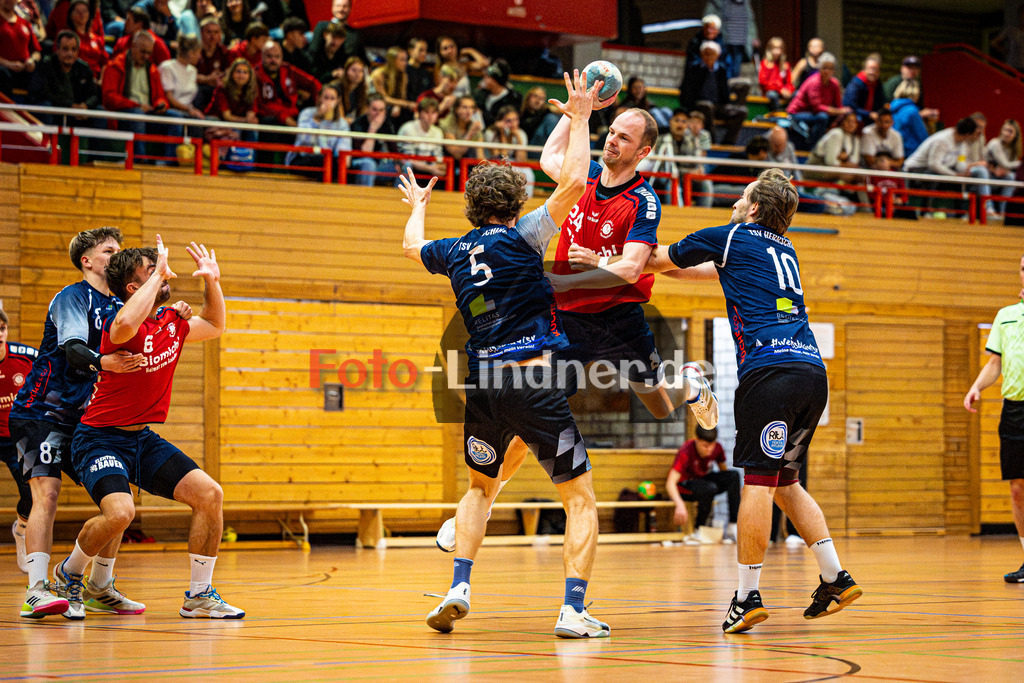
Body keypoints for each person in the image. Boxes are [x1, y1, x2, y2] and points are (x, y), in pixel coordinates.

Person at [407, 71, 613, 639]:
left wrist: (419, 204)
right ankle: (573, 609)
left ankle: (458, 586)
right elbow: (573, 180)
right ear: (515, 202)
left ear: (472, 205)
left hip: (483, 390)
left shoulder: (451, 251)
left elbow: (408, 245)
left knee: (479, 488)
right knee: (581, 499)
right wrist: (579, 117)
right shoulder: (525, 235)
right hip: (533, 382)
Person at [642, 168, 862, 633]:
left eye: (742, 196)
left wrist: (608, 261)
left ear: (755, 208)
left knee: (758, 483)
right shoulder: (785, 248)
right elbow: (701, 273)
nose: (736, 202)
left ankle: (746, 596)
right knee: (785, 482)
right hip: (811, 373)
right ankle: (834, 577)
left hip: (770, 373)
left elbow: (659, 257)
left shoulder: (733, 235)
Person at [58, 237, 241, 619]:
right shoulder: (121, 326)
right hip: (98, 437)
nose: (165, 271)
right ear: (133, 287)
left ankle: (199, 595)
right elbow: (126, 320)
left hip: (140, 439)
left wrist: (213, 281)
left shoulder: (172, 322)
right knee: (120, 513)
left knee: (210, 494)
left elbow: (215, 324)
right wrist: (155, 278)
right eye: (153, 268)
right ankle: (69, 574)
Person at [9, 227, 148, 620]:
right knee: (46, 495)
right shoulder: (72, 297)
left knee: (117, 499)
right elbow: (72, 351)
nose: (116, 257)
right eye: (109, 251)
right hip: (40, 414)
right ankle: (37, 588)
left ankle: (100, 586)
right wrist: (105, 363)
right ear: (87, 260)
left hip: (88, 421)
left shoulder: (120, 303)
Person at [965, 254, 1024, 583]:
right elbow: (995, 364)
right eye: (1022, 268)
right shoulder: (1006, 316)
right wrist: (976, 387)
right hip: (1014, 408)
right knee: (1018, 488)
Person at [101, 31, 180, 162]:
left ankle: (169, 162)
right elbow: (109, 98)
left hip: (148, 113)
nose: (146, 56)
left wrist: (161, 105)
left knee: (176, 118)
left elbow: (160, 96)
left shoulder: (152, 69)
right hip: (124, 115)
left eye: (149, 53)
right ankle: (139, 160)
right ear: (133, 46)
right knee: (138, 116)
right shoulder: (115, 65)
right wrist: (136, 106)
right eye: (143, 52)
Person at [0, 308, 36, 575]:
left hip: (17, 436)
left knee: (32, 494)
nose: (0, 335)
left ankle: (21, 530)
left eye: (2, 329)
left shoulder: (26, 356)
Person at [666, 425, 739, 544]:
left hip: (704, 481)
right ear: (697, 440)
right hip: (685, 486)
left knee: (733, 476)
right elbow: (670, 483)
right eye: (705, 446)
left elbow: (724, 473)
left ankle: (732, 525)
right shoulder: (686, 449)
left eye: (712, 445)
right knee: (710, 488)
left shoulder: (717, 448)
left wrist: (737, 492)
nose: (709, 450)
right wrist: (679, 504)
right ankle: (698, 529)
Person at [679, 40, 747, 145]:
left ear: (717, 55)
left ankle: (728, 142)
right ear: (701, 54)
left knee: (741, 111)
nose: (709, 56)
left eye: (712, 53)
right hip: (699, 105)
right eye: (706, 53)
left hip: (718, 106)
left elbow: (725, 94)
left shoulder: (721, 70)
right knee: (707, 106)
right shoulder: (694, 68)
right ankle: (712, 141)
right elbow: (686, 90)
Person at [27, 30, 100, 120]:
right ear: (57, 50)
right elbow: (45, 93)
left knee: (101, 114)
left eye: (73, 49)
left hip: (76, 110)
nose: (70, 54)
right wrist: (70, 105)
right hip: (56, 108)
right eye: (65, 49)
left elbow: (93, 95)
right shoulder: (46, 65)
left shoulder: (83, 68)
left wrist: (85, 106)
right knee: (46, 106)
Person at [286, 81, 351, 176]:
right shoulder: (307, 114)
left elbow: (343, 147)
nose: (328, 102)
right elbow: (304, 140)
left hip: (328, 160)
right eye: (326, 98)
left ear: (337, 102)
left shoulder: (342, 124)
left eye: (332, 99)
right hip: (304, 158)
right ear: (319, 98)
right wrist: (316, 121)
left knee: (334, 164)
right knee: (322, 162)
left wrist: (344, 160)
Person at [786, 52, 847, 150]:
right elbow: (817, 107)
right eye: (825, 68)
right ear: (819, 68)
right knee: (823, 117)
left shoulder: (834, 84)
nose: (827, 71)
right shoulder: (813, 82)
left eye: (830, 68)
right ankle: (813, 147)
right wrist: (839, 111)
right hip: (797, 113)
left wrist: (840, 115)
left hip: (816, 114)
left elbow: (838, 106)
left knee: (846, 117)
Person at [484, 104, 534, 197]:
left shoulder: (521, 133)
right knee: (504, 172)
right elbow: (501, 157)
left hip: (513, 162)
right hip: (494, 163)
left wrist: (518, 138)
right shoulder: (490, 133)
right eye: (508, 121)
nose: (513, 124)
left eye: (516, 120)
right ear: (500, 121)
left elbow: (521, 160)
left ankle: (527, 198)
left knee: (527, 172)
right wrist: (502, 133)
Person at [348, 93, 398, 186]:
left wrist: (398, 163)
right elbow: (365, 153)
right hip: (358, 162)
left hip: (378, 163)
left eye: (381, 110)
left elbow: (394, 150)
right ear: (367, 109)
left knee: (406, 166)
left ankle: (401, 198)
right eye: (374, 109)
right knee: (369, 164)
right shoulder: (358, 124)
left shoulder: (386, 124)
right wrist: (373, 129)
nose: (378, 114)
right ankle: (364, 198)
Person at [704, 0, 758, 80]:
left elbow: (750, 20)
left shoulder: (745, 3)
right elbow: (709, 18)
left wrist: (753, 37)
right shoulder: (719, 2)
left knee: (735, 68)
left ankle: (731, 87)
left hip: (740, 41)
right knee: (723, 66)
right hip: (723, 40)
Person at [396, 97, 446, 180]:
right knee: (408, 167)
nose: (430, 116)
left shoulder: (438, 132)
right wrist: (430, 168)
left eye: (433, 112)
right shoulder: (408, 129)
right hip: (408, 167)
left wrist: (438, 166)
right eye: (426, 112)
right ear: (419, 113)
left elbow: (438, 156)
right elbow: (408, 159)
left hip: (428, 167)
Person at [0, 0, 42, 99]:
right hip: (4, 72)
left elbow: (36, 51)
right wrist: (8, 64)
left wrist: (32, 60)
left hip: (25, 72)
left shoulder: (24, 23)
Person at [805, 111, 861, 183]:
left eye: (854, 122)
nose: (851, 124)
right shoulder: (836, 133)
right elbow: (831, 162)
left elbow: (855, 161)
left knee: (861, 174)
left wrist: (844, 161)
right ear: (842, 121)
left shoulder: (855, 139)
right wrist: (846, 163)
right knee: (849, 175)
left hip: (837, 169)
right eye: (848, 121)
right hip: (817, 168)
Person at [309, 0, 367, 67]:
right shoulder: (322, 26)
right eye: (338, 6)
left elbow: (362, 58)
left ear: (350, 9)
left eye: (345, 6)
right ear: (332, 8)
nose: (341, 9)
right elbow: (313, 52)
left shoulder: (355, 34)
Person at [370, 45, 414, 125]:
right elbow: (383, 98)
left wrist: (399, 105)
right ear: (393, 60)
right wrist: (407, 104)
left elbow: (402, 97)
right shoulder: (379, 74)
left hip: (394, 106)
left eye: (406, 60)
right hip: (377, 106)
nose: (405, 63)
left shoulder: (403, 76)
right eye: (402, 60)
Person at [986, 119, 1022, 216]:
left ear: (1016, 135)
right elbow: (1005, 164)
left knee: (1011, 177)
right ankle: (989, 208)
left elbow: (1007, 168)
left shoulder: (1013, 149)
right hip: (987, 178)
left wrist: (1005, 170)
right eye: (1005, 130)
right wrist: (1021, 163)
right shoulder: (995, 143)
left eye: (1010, 131)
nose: (1006, 133)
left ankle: (1004, 212)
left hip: (999, 178)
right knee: (1010, 176)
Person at [474, 59, 522, 129]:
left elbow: (506, 122)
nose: (484, 80)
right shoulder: (481, 94)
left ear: (494, 81)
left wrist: (483, 114)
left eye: (487, 77)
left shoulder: (513, 98)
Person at [66, 0, 107, 81]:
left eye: (85, 11)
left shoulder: (96, 39)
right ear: (71, 15)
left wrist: (101, 80)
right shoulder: (66, 38)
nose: (82, 14)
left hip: (97, 82)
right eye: (78, 12)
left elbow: (105, 62)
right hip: (77, 81)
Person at [842, 53, 887, 125]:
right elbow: (850, 106)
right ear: (864, 69)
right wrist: (868, 114)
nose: (873, 72)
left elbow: (880, 104)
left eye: (875, 69)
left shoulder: (878, 84)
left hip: (872, 118)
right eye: (870, 68)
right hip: (857, 116)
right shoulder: (856, 83)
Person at [888, 81, 928, 159]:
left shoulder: (892, 107)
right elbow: (922, 135)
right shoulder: (912, 111)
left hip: (894, 150)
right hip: (910, 152)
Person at [195, 15, 228, 109]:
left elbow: (228, 72)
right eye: (208, 32)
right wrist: (207, 79)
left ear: (220, 35)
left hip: (217, 88)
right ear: (201, 33)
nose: (212, 36)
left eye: (216, 32)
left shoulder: (224, 51)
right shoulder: (194, 50)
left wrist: (221, 77)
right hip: (198, 88)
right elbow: (187, 74)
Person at [440, 94, 484, 163]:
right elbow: (457, 155)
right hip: (449, 164)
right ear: (456, 109)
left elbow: (480, 156)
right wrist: (470, 133)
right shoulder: (447, 124)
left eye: (471, 107)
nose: (469, 111)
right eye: (465, 107)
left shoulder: (474, 125)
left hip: (467, 165)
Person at [758, 36, 792, 112]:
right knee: (772, 95)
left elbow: (789, 82)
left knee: (797, 94)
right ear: (769, 49)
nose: (777, 50)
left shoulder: (785, 65)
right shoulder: (765, 64)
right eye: (774, 48)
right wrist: (780, 90)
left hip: (783, 92)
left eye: (779, 48)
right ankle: (777, 115)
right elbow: (763, 83)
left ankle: (792, 117)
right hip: (771, 91)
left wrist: (788, 90)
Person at [337, 56, 366, 121]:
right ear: (346, 71)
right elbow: (340, 117)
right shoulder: (337, 88)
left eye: (361, 71)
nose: (357, 74)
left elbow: (362, 115)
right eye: (354, 70)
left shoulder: (361, 90)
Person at [405, 36, 434, 101]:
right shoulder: (404, 70)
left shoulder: (426, 73)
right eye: (421, 50)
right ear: (410, 51)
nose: (424, 53)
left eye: (425, 50)